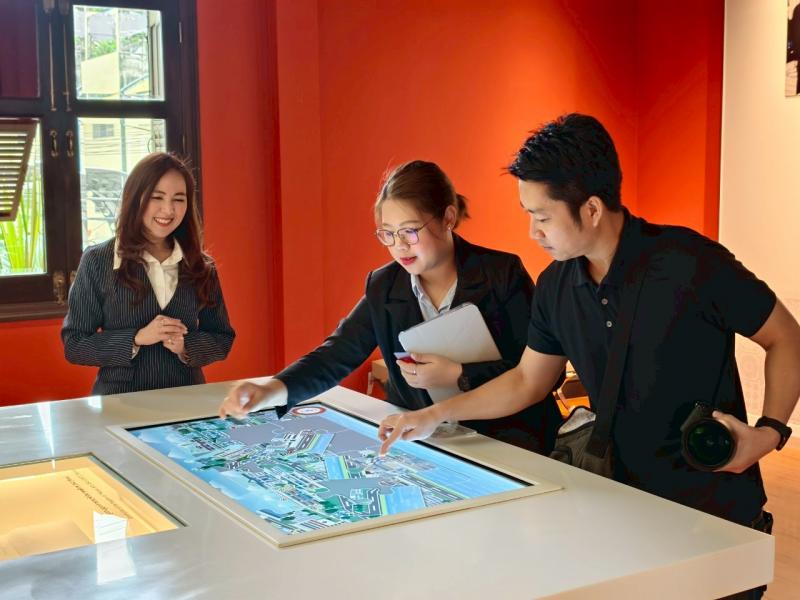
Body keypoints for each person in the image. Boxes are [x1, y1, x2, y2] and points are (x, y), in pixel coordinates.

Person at [377, 116, 800, 580]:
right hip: (622, 507)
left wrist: (770, 432)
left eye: (542, 217)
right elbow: (527, 381)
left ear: (592, 209)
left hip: (715, 508)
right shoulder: (555, 286)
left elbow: (785, 336)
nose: (533, 232)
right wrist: (433, 415)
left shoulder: (691, 262)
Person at [219, 160, 561, 453]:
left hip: (511, 441)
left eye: (410, 231)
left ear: (448, 217)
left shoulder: (501, 274)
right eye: (387, 234)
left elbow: (541, 374)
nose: (399, 246)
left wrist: (459, 374)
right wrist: (271, 389)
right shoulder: (384, 285)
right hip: (432, 444)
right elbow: (336, 354)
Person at [62, 152, 235, 395]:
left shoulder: (200, 266)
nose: (168, 209)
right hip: (119, 402)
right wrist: (137, 338)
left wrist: (186, 346)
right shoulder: (98, 261)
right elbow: (75, 344)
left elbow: (222, 338)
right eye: (157, 197)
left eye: (179, 199)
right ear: (135, 198)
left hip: (187, 400)